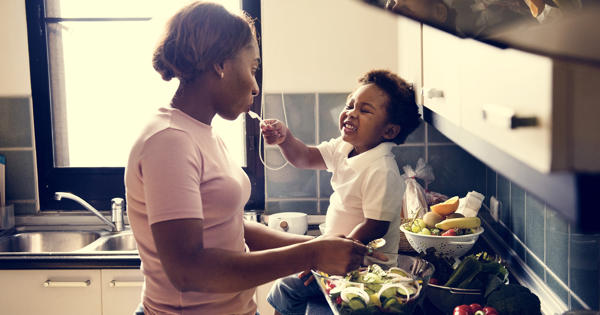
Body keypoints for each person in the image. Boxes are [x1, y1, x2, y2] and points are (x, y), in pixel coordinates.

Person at [124, 2, 379, 315]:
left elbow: (231, 226)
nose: (256, 86)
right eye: (253, 68)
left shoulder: (202, 132)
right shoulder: (169, 141)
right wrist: (311, 254)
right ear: (220, 64)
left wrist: (315, 244)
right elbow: (187, 270)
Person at [262, 69, 421, 315]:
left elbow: (374, 226)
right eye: (350, 105)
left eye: (365, 110)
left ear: (389, 131)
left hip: (364, 269)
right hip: (335, 258)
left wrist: (325, 256)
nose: (351, 114)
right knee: (287, 284)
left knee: (287, 287)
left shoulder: (382, 169)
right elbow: (304, 157)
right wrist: (285, 138)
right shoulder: (344, 147)